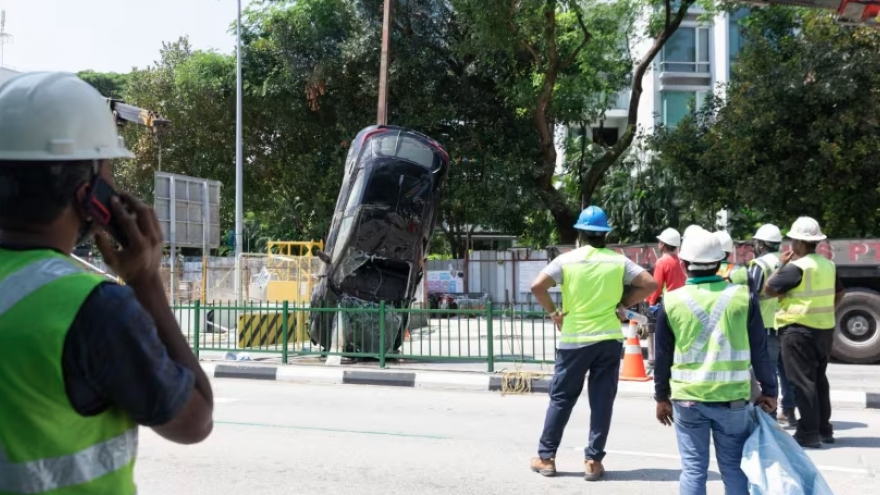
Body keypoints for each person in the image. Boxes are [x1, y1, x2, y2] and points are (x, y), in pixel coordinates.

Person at [0, 72, 213, 494]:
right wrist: (146, 283)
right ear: (89, 193)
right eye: (110, 169)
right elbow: (194, 420)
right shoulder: (93, 308)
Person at [529, 205, 657, 482]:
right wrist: (623, 303)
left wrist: (554, 312)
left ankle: (547, 458)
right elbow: (649, 283)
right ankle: (593, 461)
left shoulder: (567, 260)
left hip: (574, 340)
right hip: (608, 339)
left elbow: (537, 286)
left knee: (562, 399)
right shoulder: (618, 261)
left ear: (580, 233)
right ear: (605, 234)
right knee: (602, 401)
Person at [654, 229, 777, 495]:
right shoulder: (744, 298)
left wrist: (661, 397)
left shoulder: (672, 300)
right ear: (721, 262)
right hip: (732, 401)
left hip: (688, 400)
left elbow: (662, 355)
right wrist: (770, 391)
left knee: (694, 469)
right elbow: (760, 351)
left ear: (684, 264)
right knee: (733, 468)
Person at [764, 216, 844, 448]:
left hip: (798, 330)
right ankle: (823, 430)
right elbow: (840, 294)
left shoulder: (797, 267)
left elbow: (769, 289)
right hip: (824, 330)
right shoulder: (828, 264)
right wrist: (828, 311)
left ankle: (808, 433)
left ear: (798, 242)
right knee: (819, 380)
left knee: (801, 382)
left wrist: (781, 265)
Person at [730, 224, 798, 427]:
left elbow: (755, 294)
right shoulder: (787, 262)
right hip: (784, 322)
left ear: (760, 244)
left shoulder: (759, 264)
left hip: (765, 324)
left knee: (767, 373)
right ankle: (789, 410)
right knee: (786, 372)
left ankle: (771, 415)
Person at [646, 228, 687, 369]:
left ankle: (660, 366)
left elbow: (656, 286)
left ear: (664, 244)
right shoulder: (682, 261)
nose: (658, 243)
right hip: (684, 303)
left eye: (660, 241)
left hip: (668, 306)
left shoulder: (662, 262)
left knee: (664, 342)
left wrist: (651, 303)